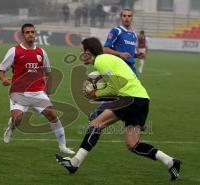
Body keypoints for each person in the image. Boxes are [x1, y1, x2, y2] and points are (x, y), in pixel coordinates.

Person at [56, 37, 182, 180]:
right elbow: (116, 87)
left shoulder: (101, 61)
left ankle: (75, 162)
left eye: (82, 50)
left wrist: (94, 93)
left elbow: (115, 87)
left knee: (96, 124)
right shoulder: (107, 59)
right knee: (132, 144)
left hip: (130, 98)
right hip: (142, 99)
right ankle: (171, 162)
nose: (81, 54)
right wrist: (98, 95)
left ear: (88, 51)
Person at [0, 23, 74, 154]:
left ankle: (63, 146)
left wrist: (48, 92)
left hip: (37, 92)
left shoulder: (41, 52)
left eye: (32, 32)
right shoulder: (14, 51)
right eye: (27, 32)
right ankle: (11, 126)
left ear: (35, 34)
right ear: (23, 35)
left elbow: (48, 73)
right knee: (18, 119)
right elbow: (1, 70)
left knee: (52, 115)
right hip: (19, 92)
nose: (30, 34)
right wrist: (3, 79)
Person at [89, 8, 143, 121]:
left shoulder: (133, 34)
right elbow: (105, 49)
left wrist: (137, 55)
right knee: (122, 94)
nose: (127, 18)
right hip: (119, 68)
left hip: (131, 68)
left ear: (132, 18)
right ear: (121, 17)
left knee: (137, 93)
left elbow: (129, 53)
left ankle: (135, 119)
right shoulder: (116, 31)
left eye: (129, 16)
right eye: (124, 16)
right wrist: (120, 54)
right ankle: (98, 112)